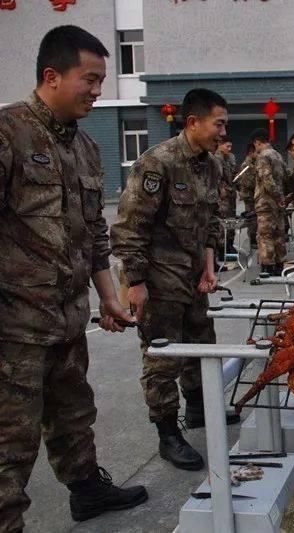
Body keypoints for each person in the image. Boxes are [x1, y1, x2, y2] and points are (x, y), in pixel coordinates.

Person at [0, 25, 148, 529]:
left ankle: (86, 491)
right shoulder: (8, 133)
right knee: (9, 444)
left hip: (66, 320)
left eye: (102, 80)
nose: (97, 91)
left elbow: (94, 235)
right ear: (51, 76)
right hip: (14, 330)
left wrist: (108, 297)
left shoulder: (86, 147)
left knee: (74, 416)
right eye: (90, 79)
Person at [112, 88, 240, 472]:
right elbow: (130, 226)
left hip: (193, 277)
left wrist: (210, 264)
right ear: (192, 122)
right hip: (159, 279)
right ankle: (168, 434)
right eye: (218, 123)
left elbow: (212, 221)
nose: (222, 131)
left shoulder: (212, 166)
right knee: (162, 359)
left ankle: (200, 409)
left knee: (201, 345)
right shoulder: (158, 163)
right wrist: (135, 282)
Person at [250, 128, 287, 277]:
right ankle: (279, 263)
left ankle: (268, 266)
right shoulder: (278, 155)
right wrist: (281, 198)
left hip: (266, 202)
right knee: (279, 233)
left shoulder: (263, 157)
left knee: (265, 235)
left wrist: (277, 196)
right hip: (278, 203)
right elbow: (285, 176)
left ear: (257, 143)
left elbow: (267, 180)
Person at [214, 135, 237, 266]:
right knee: (222, 221)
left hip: (231, 192)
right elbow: (216, 178)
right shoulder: (216, 158)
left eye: (230, 146)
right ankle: (221, 248)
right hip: (222, 195)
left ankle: (229, 245)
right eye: (227, 146)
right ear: (220, 145)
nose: (229, 149)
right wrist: (221, 189)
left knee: (232, 220)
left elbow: (233, 173)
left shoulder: (231, 157)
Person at [236, 142, 258, 249]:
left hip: (255, 196)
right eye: (256, 152)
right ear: (251, 152)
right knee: (252, 220)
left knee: (256, 220)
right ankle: (252, 241)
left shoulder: (255, 163)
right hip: (249, 197)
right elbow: (246, 182)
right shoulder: (246, 165)